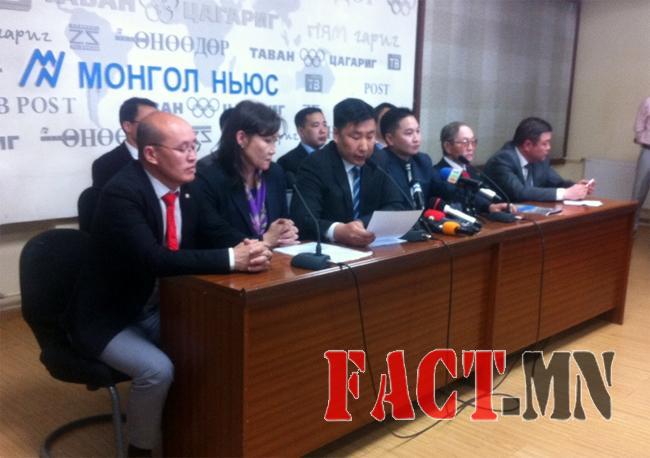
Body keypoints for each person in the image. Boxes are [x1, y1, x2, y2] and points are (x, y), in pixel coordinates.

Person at [67, 112, 272, 457]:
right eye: (182, 149)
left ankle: (204, 436)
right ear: (151, 154)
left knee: (222, 342)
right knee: (157, 370)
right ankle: (140, 451)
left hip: (160, 305)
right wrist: (230, 258)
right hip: (109, 317)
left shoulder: (187, 188)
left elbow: (214, 229)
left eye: (194, 146)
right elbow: (153, 259)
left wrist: (252, 245)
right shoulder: (122, 193)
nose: (193, 156)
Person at [290, 98, 404, 247]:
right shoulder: (315, 165)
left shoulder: (379, 159)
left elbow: (396, 206)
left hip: (372, 248)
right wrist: (337, 231)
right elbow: (303, 219)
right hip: (331, 251)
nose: (364, 147)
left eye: (370, 137)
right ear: (336, 134)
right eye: (355, 137)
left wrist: (361, 223)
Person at [196, 100, 299, 248]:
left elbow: (281, 220)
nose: (273, 150)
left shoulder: (275, 173)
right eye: (267, 141)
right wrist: (264, 240)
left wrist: (286, 231)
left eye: (275, 141)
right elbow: (215, 235)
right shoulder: (208, 177)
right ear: (241, 138)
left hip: (275, 257)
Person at [483, 117, 595, 202]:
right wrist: (565, 193)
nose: (549, 148)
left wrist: (576, 187)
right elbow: (519, 192)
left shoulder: (540, 159)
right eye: (545, 143)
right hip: (497, 219)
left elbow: (557, 183)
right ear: (527, 145)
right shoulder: (503, 160)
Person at [434, 120, 513, 212]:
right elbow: (460, 196)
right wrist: (488, 207)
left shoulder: (472, 171)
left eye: (473, 142)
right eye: (465, 142)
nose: (470, 148)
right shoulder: (438, 173)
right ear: (448, 146)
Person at [92, 97, 158, 188]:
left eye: (158, 122)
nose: (155, 127)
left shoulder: (166, 156)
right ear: (127, 126)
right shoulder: (105, 165)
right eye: (148, 122)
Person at [277, 106, 329, 177]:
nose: (323, 130)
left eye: (324, 125)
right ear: (301, 131)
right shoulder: (286, 162)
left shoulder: (332, 158)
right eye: (316, 125)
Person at [632, 96, 650, 228]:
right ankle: (632, 224)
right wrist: (642, 139)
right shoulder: (648, 102)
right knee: (639, 190)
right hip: (648, 150)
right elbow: (639, 124)